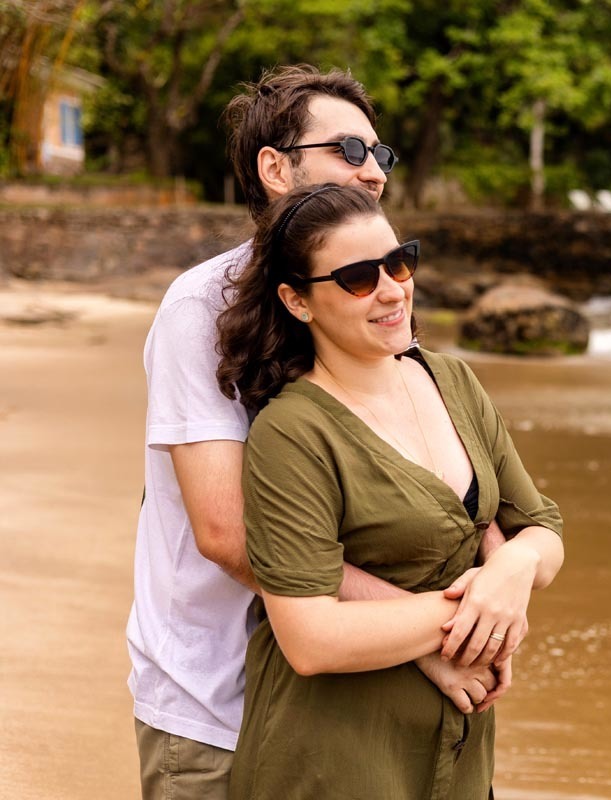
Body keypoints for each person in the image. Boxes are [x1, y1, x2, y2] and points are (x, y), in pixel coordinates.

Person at [125, 65, 511, 800]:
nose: (372, 175)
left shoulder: (367, 296)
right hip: (218, 698)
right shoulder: (199, 309)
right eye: (348, 151)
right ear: (274, 168)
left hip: (358, 695)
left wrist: (503, 582)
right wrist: (436, 638)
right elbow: (228, 532)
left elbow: (459, 487)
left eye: (380, 155)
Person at [213, 182, 564, 798]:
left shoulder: (451, 378)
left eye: (399, 262)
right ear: (298, 302)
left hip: (457, 754)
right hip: (332, 760)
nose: (391, 289)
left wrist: (513, 565)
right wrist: (477, 616)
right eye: (356, 278)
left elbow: (543, 527)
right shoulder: (292, 432)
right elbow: (310, 638)